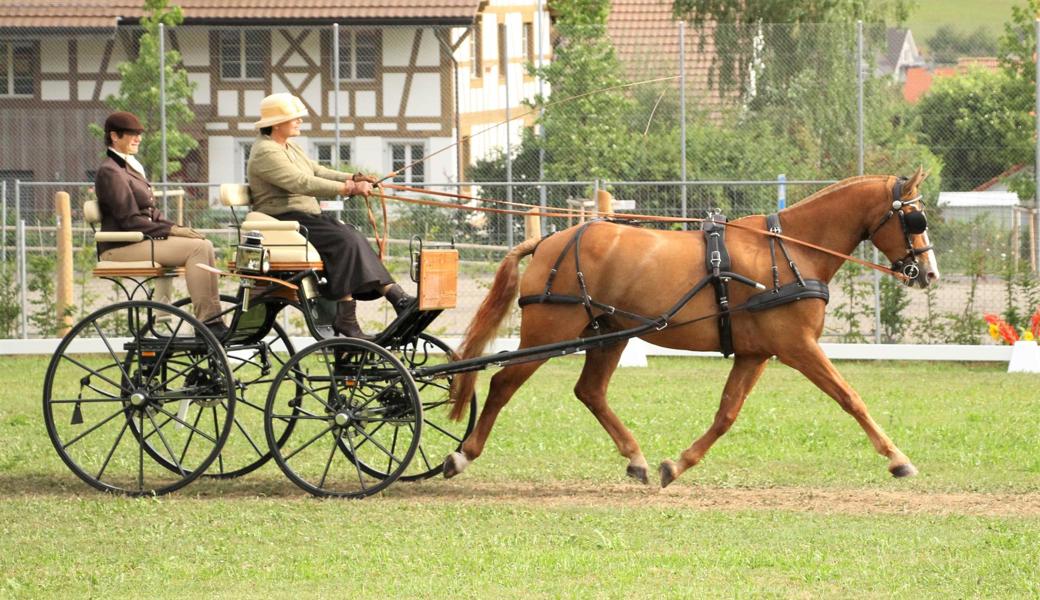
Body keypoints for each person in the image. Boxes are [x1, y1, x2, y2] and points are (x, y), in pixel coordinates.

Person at [246, 93, 415, 339]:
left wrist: (352, 178)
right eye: (294, 118)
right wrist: (347, 188)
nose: (299, 122)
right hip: (284, 218)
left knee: (351, 235)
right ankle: (351, 317)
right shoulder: (265, 151)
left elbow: (317, 170)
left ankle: (396, 297)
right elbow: (301, 182)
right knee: (343, 239)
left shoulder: (287, 146)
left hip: (304, 215)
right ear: (276, 123)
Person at [94, 111, 228, 338]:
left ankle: (212, 319)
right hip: (120, 246)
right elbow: (129, 220)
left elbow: (150, 212)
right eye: (132, 134)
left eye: (139, 134)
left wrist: (177, 227)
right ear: (114, 137)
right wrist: (171, 230)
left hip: (139, 239)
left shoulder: (129, 167)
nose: (138, 139)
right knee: (196, 248)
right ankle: (207, 322)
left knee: (203, 243)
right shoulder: (110, 171)